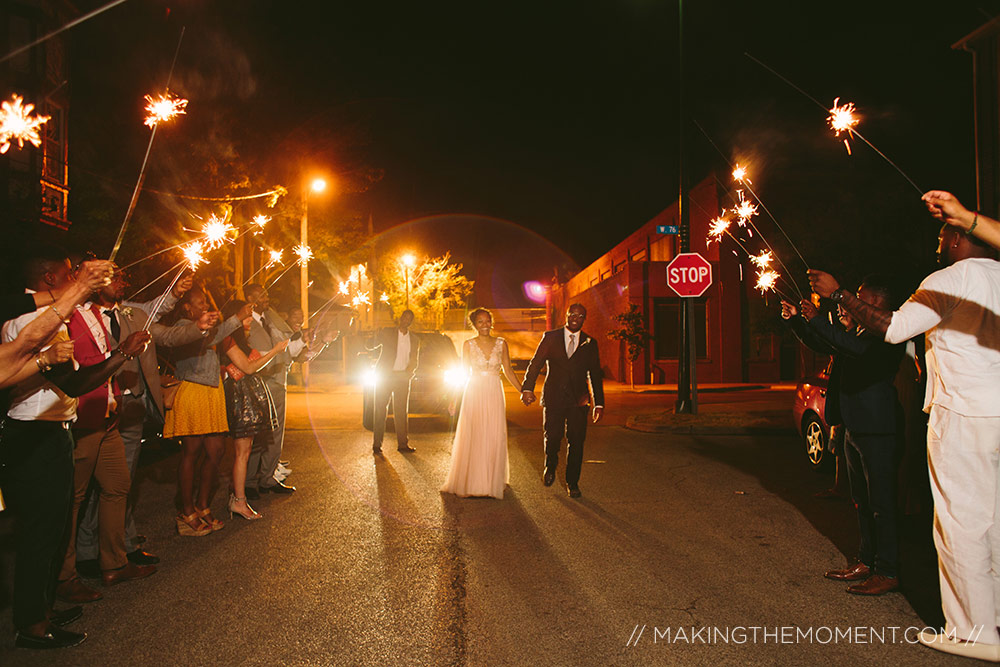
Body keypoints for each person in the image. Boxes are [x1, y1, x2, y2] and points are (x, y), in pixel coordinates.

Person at [808, 220, 1000, 661]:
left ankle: (971, 632)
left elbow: (891, 328)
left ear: (956, 238)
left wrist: (838, 294)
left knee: (961, 524)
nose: (938, 242)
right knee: (993, 520)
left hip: (963, 413)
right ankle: (992, 619)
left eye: (942, 235)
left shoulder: (949, 278)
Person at [0, 254, 149, 650]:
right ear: (50, 277)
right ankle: (31, 625)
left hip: (53, 429)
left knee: (53, 529)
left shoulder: (49, 315)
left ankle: (43, 607)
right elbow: (77, 383)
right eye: (70, 274)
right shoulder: (29, 322)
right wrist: (123, 355)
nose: (75, 279)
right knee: (40, 532)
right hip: (34, 434)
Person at [75, 268, 216, 577]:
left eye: (122, 276)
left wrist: (198, 327)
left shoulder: (132, 314)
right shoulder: (81, 317)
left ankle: (123, 545)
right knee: (88, 488)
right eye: (115, 277)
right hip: (95, 408)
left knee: (120, 482)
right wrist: (175, 294)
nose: (122, 281)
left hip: (133, 407)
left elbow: (167, 334)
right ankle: (85, 551)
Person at [786, 279, 905, 596]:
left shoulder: (884, 332)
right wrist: (799, 320)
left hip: (878, 428)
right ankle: (866, 561)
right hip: (855, 426)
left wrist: (813, 318)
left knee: (882, 504)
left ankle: (888, 570)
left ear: (877, 301)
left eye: (860, 297)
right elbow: (829, 343)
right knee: (862, 501)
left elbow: (848, 346)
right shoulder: (860, 331)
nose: (851, 303)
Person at [161, 288, 247, 536]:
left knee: (217, 450)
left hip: (212, 391)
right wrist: (235, 319)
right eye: (200, 302)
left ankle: (202, 505)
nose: (205, 305)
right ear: (187, 307)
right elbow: (207, 338)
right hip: (193, 390)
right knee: (192, 451)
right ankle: (186, 512)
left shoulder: (208, 324)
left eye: (207, 301)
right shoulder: (183, 325)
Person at [520, 303, 605, 498]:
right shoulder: (551, 338)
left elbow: (594, 375)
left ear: (584, 319)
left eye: (580, 315)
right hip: (554, 398)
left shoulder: (590, 343)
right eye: (572, 314)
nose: (576, 318)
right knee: (553, 436)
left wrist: (598, 403)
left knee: (576, 442)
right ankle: (550, 466)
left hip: (579, 401)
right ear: (566, 315)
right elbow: (536, 363)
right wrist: (527, 388)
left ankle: (572, 482)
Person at [441, 308, 523, 499]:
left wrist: (523, 391)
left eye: (487, 321)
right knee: (475, 434)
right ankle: (473, 482)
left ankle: (491, 482)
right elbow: (462, 373)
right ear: (474, 324)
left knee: (494, 435)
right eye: (480, 322)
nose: (485, 325)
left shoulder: (502, 344)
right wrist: (454, 398)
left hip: (494, 391)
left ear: (491, 322)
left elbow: (509, 371)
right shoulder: (468, 345)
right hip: (474, 392)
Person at [782, 299, 856, 501]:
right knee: (840, 448)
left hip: (860, 412)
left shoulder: (859, 340)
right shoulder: (844, 338)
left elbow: (832, 337)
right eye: (839, 308)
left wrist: (814, 318)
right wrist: (796, 320)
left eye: (846, 308)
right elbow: (817, 341)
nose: (840, 311)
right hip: (843, 408)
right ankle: (842, 489)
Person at [219, 300, 286, 520]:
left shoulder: (238, 340)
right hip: (239, 398)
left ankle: (238, 498)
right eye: (246, 316)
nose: (249, 321)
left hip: (244, 396)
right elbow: (247, 368)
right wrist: (275, 351)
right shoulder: (227, 340)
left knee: (245, 451)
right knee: (241, 452)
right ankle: (239, 501)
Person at [242, 284, 303, 496]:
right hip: (259, 382)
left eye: (267, 293)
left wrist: (306, 339)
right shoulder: (247, 324)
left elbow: (287, 351)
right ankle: (249, 482)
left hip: (277, 381)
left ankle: (268, 477)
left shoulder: (271, 320)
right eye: (262, 293)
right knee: (257, 434)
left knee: (275, 434)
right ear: (250, 297)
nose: (267, 297)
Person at [367, 309, 420, 455]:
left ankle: (403, 444)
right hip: (386, 376)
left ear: (411, 322)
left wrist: (410, 373)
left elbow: (414, 359)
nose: (406, 320)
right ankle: (377, 445)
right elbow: (369, 345)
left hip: (403, 378)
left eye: (410, 319)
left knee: (401, 411)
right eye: (405, 317)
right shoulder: (387, 333)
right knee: (380, 409)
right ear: (400, 318)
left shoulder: (415, 339)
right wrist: (374, 335)